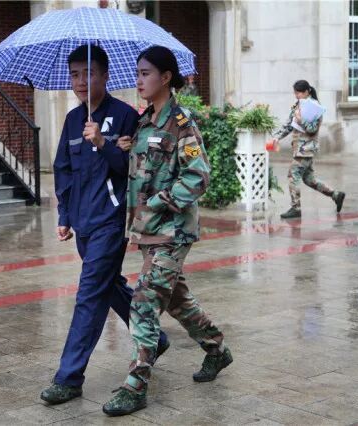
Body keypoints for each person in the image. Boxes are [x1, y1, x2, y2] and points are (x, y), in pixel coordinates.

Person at [102, 46, 232, 417]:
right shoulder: (144, 122)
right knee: (175, 299)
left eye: (145, 73)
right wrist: (124, 148)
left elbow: (198, 176)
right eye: (137, 73)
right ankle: (217, 349)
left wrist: (160, 201)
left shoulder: (180, 121)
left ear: (166, 77)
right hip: (148, 230)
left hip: (172, 231)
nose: (139, 80)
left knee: (143, 303)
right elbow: (144, 170)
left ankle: (136, 384)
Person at [40, 45, 170, 405]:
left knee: (89, 295)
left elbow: (133, 169)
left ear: (105, 75)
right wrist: (65, 216)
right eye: (75, 75)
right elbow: (63, 170)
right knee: (107, 285)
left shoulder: (126, 116)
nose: (81, 81)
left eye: (89, 73)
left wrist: (103, 143)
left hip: (111, 222)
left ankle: (69, 377)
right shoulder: (72, 120)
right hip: (82, 222)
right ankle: (155, 337)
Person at [267, 80, 345, 219]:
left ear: (306, 92)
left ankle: (296, 208)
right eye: (295, 93)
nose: (296, 95)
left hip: (306, 149)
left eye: (298, 93)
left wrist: (300, 119)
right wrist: (276, 137)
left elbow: (312, 129)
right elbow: (289, 125)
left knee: (292, 175)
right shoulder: (298, 105)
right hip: (299, 148)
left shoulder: (315, 108)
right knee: (309, 179)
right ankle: (336, 195)